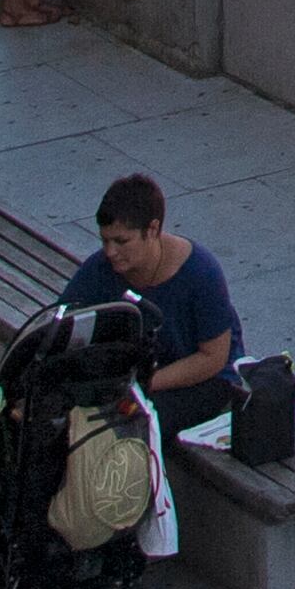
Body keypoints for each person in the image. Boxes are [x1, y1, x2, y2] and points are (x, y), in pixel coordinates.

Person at [61, 180, 242, 433]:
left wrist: (143, 383)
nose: (110, 252)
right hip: (135, 375)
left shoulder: (202, 273)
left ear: (153, 229)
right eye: (105, 241)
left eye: (121, 241)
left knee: (129, 427)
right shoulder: (99, 268)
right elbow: (63, 322)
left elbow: (213, 357)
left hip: (203, 382)